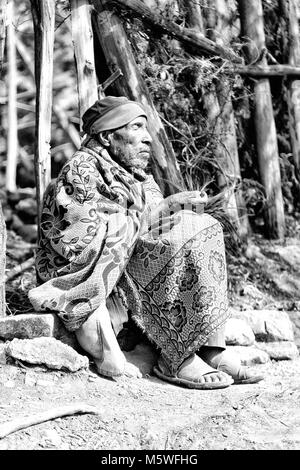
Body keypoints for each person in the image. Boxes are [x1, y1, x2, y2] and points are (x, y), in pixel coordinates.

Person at [29, 96, 263, 389]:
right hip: (94, 280)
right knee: (181, 235)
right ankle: (176, 357)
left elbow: (153, 220)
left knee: (205, 226)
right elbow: (83, 243)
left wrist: (178, 210)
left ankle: (210, 349)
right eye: (137, 128)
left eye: (146, 129)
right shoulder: (81, 172)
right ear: (106, 136)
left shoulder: (134, 175)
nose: (147, 139)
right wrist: (163, 211)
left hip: (129, 264)